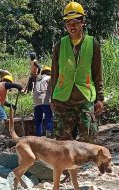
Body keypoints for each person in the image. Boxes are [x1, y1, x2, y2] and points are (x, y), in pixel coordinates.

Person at [51, 2, 104, 143]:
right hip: (63, 99)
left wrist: (100, 98)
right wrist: (52, 98)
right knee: (62, 141)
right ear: (65, 25)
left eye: (75, 22)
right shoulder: (59, 46)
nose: (72, 26)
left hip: (85, 98)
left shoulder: (93, 44)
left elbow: (98, 73)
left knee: (88, 138)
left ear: (83, 22)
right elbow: (54, 73)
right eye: (68, 23)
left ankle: (85, 165)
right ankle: (68, 166)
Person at [33, 66, 53, 137]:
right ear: (49, 72)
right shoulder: (49, 78)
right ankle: (49, 135)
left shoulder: (38, 79)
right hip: (44, 100)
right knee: (49, 117)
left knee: (38, 120)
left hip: (36, 101)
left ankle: (38, 136)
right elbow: (53, 88)